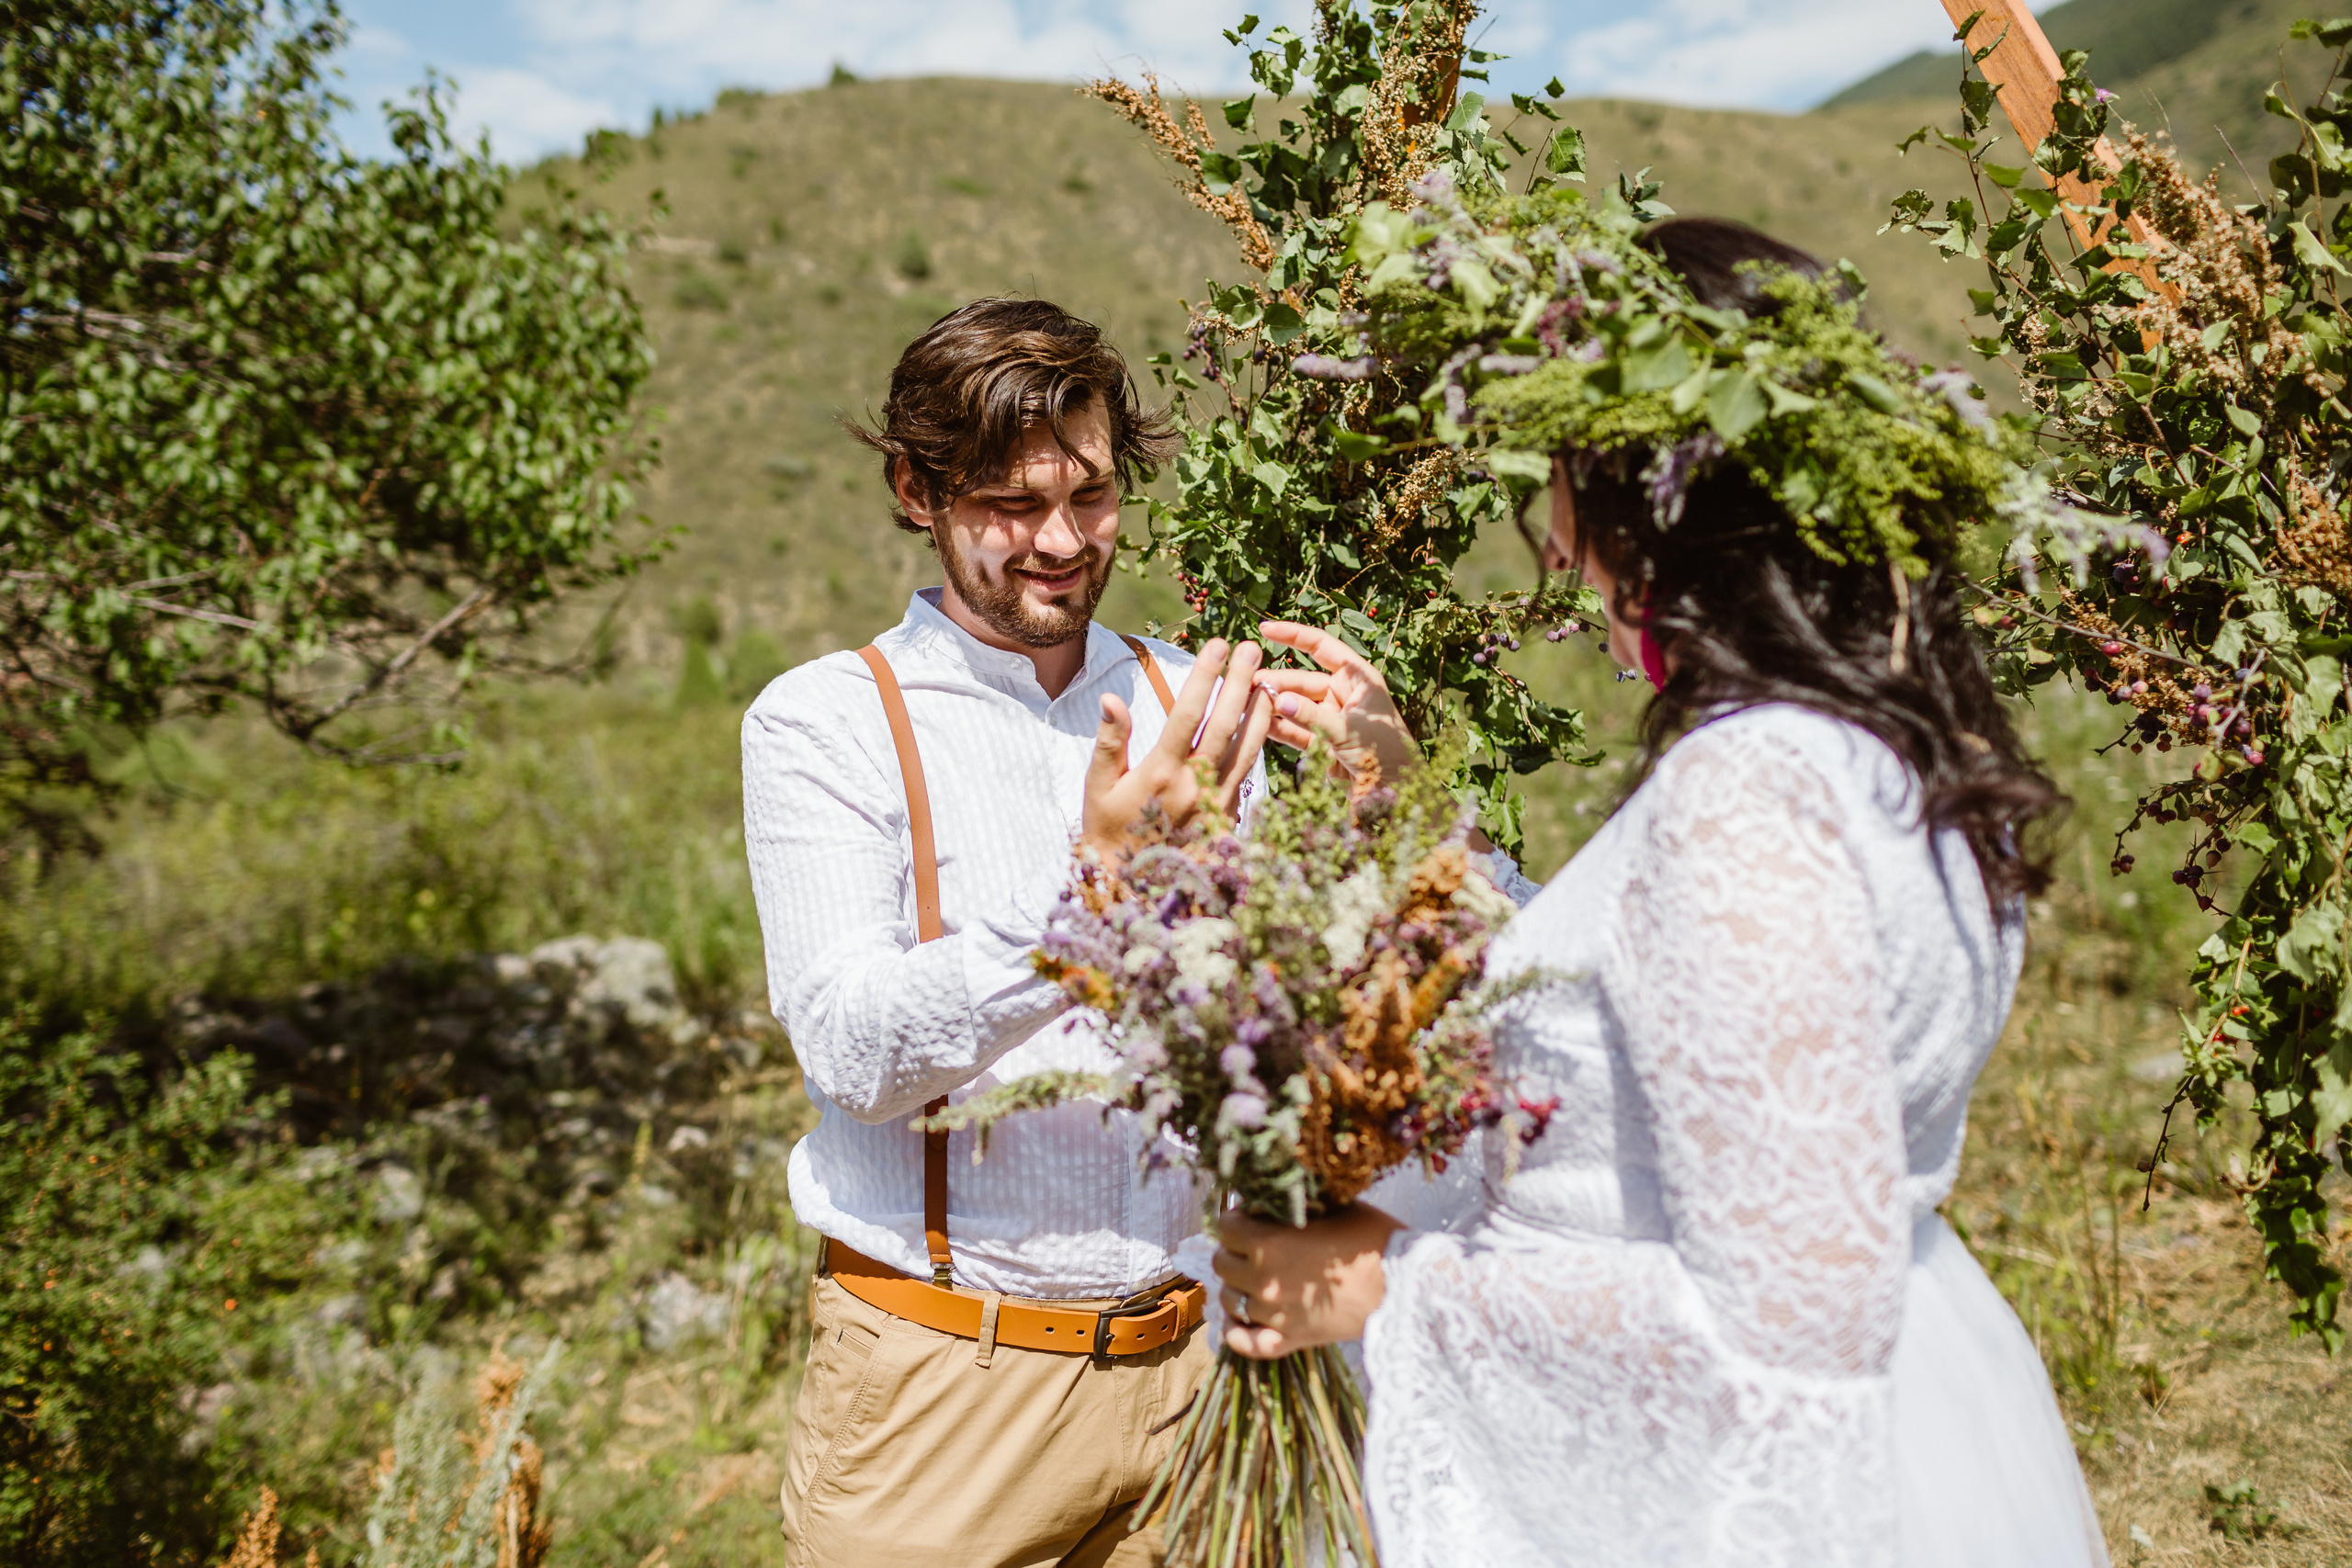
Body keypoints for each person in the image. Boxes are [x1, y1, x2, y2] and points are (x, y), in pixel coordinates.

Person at [1212, 220, 2113, 1566]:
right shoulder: (1893, 759)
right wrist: (1407, 814)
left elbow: (1783, 1330)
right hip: (1919, 1400)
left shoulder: (1752, 794)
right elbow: (1642, 1019)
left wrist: (1380, 1288)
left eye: (1570, 484)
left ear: (1659, 502)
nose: (1561, 547)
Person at [741, 298, 1275, 1567]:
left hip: (1196, 1377)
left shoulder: (1195, 703)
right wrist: (1096, 897)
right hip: (942, 1397)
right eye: (1009, 504)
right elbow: (856, 1055)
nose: (1061, 542)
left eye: (1091, 497)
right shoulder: (826, 722)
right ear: (915, 490)